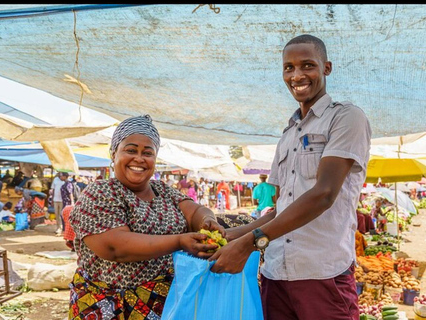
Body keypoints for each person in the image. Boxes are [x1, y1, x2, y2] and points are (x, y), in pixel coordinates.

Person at [209, 34, 371, 320]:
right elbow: (280, 209)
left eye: (307, 65)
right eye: (289, 68)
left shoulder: (346, 117)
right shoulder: (288, 134)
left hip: (322, 273)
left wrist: (249, 243)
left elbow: (324, 194)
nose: (297, 75)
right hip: (275, 273)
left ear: (327, 68)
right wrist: (232, 234)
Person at [68, 114, 225, 319]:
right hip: (106, 307)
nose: (139, 158)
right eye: (131, 150)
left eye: (147, 153)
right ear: (114, 154)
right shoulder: (100, 193)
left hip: (160, 304)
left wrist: (207, 220)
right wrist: (179, 241)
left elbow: (195, 211)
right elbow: (115, 248)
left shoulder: (163, 191)